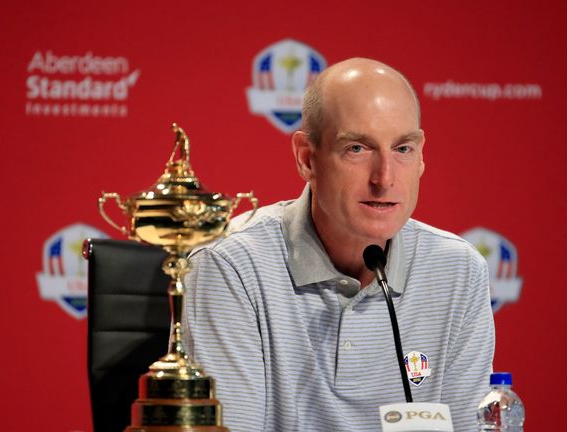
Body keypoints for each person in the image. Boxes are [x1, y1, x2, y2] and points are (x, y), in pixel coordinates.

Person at [183, 57, 495, 431]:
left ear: (421, 155)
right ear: (306, 158)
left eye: (402, 149)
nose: (384, 178)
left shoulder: (458, 270)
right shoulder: (231, 266)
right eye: (358, 149)